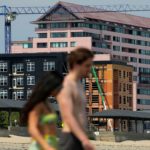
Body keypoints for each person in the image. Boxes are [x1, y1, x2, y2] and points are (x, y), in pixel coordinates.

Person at [56, 47, 95, 150]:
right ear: (76, 65)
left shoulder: (78, 84)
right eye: (87, 65)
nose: (89, 69)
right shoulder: (67, 85)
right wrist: (84, 140)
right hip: (70, 139)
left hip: (78, 138)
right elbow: (68, 116)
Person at [22, 71, 63, 150]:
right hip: (40, 145)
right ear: (51, 86)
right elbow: (32, 128)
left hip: (52, 142)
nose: (60, 89)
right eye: (59, 87)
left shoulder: (48, 104)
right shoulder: (38, 104)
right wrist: (46, 146)